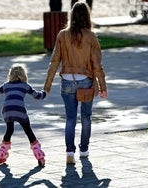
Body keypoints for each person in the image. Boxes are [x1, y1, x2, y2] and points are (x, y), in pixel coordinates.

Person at [43, 2, 108, 165]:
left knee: (70, 118)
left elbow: (54, 61)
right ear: (87, 16)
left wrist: (47, 86)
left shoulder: (62, 35)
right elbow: (97, 65)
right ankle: (84, 150)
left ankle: (69, 152)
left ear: (71, 16)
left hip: (67, 81)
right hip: (86, 82)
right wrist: (102, 87)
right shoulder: (91, 37)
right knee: (86, 117)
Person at [0, 63, 46, 167]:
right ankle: (39, 155)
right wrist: (44, 92)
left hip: (7, 110)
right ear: (23, 75)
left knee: (9, 130)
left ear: (10, 75)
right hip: (19, 110)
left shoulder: (6, 85)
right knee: (28, 131)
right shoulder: (25, 85)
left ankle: (1, 154)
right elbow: (38, 96)